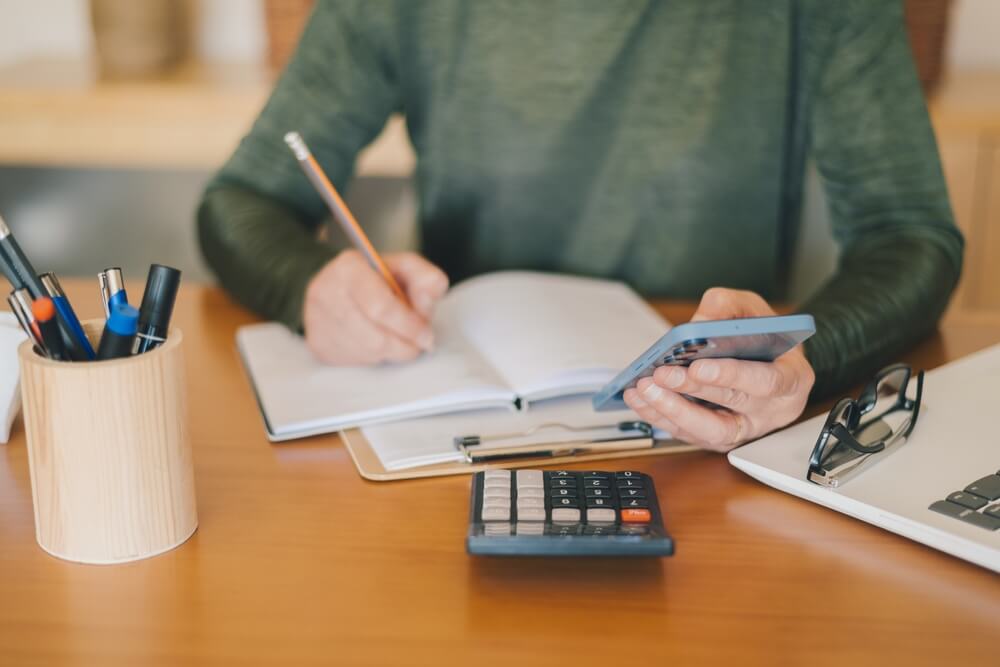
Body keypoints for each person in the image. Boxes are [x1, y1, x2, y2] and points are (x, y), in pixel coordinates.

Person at [197, 0, 962, 452]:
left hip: (709, 440)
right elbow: (240, 201)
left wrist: (804, 358)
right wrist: (310, 287)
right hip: (462, 432)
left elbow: (911, 232)